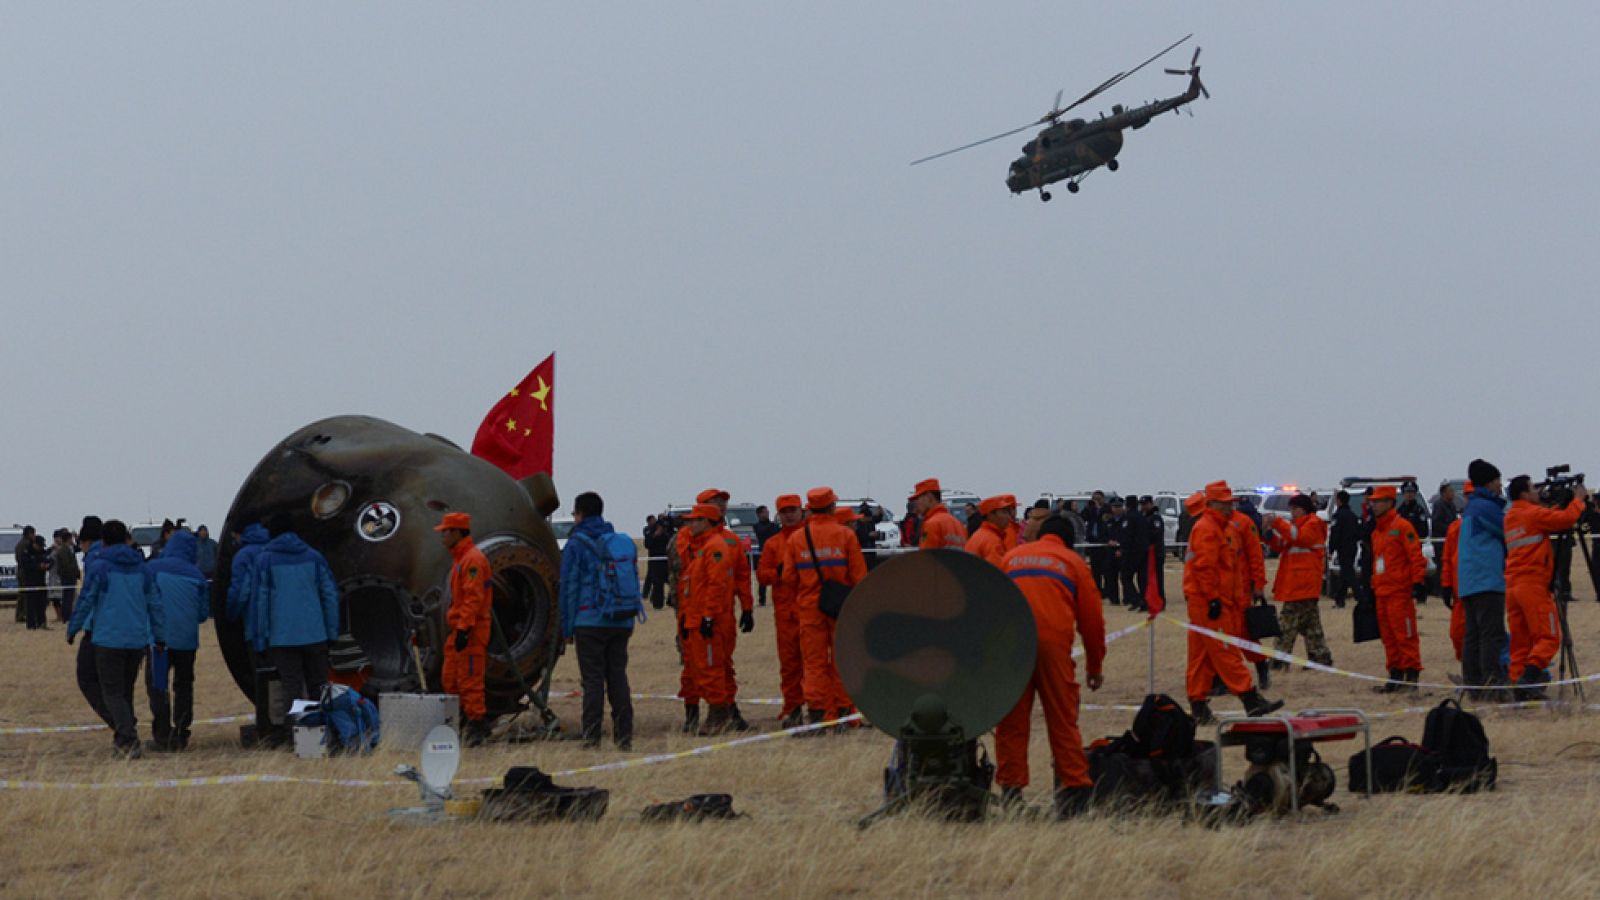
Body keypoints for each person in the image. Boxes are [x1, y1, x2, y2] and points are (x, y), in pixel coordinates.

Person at [994, 515, 1106, 817]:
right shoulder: (1073, 562)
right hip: (1052, 647)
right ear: (1069, 541)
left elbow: (993, 606)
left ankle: (1011, 793)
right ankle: (1075, 792)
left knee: (1011, 723)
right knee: (1062, 720)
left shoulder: (1011, 558)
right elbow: (1092, 623)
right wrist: (1094, 666)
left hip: (1012, 649)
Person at [1183, 483, 1282, 724]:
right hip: (1210, 601)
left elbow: (1241, 561)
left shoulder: (1222, 527)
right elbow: (1205, 568)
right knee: (1225, 651)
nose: (1230, 508)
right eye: (1225, 504)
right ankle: (1250, 699)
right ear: (1212, 504)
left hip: (1216, 600)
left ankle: (1198, 707)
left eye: (1230, 503)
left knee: (1202, 657)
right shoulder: (1208, 528)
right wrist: (1213, 599)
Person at [67, 519, 165, 758]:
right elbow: (155, 604)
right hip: (137, 640)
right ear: (126, 539)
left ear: (104, 541)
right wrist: (160, 635)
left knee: (112, 692)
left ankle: (128, 739)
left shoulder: (100, 567)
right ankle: (123, 739)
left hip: (108, 639)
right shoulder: (143, 568)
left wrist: (73, 628)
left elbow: (86, 600)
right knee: (125, 691)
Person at [781, 487, 867, 731]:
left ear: (809, 509)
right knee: (841, 660)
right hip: (841, 607)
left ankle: (818, 714)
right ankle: (843, 713)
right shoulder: (846, 535)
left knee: (814, 664)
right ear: (832, 507)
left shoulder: (797, 538)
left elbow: (788, 578)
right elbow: (859, 577)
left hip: (810, 608)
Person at [251, 514, 341, 746]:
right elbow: (330, 595)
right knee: (319, 686)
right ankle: (325, 736)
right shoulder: (314, 557)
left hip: (282, 638)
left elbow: (261, 603)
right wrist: (332, 632)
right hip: (316, 634)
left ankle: (297, 739)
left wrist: (261, 638)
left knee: (291, 687)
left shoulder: (265, 560)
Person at [559, 492, 635, 749]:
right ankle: (624, 738)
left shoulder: (576, 544)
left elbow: (569, 587)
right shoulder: (616, 540)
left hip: (589, 621)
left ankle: (591, 738)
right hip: (621, 620)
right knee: (618, 678)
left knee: (592, 682)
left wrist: (567, 627)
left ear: (580, 514)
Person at [1503, 475, 1590, 699]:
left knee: (1520, 641)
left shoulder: (1511, 516)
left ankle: (1518, 685)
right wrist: (1578, 501)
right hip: (1533, 585)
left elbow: (1546, 518)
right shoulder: (1532, 514)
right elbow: (1564, 520)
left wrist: (1556, 505)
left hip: (1513, 586)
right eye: (1533, 488)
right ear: (1524, 493)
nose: (1537, 492)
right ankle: (1528, 680)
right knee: (1548, 637)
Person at [431, 511, 495, 746]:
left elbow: (473, 598)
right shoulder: (461, 558)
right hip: (459, 629)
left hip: (471, 631)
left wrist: (465, 629)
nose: (442, 536)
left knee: (470, 680)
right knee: (450, 679)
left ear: (457, 532)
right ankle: (460, 724)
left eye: (446, 532)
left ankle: (477, 725)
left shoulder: (472, 560)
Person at [144, 528, 209, 751]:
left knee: (158, 686)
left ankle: (163, 734)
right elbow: (202, 614)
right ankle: (182, 731)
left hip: (160, 641)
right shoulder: (198, 576)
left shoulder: (152, 568)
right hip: (187, 642)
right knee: (184, 685)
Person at [679, 503, 738, 734]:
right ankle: (717, 715)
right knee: (701, 669)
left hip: (708, 621)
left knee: (711, 668)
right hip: (695, 619)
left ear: (706, 522)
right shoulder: (702, 547)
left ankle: (719, 716)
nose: (690, 525)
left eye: (695, 520)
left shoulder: (715, 547)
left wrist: (708, 617)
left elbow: (716, 586)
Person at [1368, 485, 1426, 693]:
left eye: (1377, 501)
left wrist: (1417, 582)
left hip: (1399, 592)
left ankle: (1411, 676)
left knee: (1405, 635)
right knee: (1388, 637)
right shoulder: (1377, 532)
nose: (1373, 505)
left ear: (1389, 503)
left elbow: (1415, 555)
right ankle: (1395, 675)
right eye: (1373, 502)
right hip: (1382, 592)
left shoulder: (1402, 527)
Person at [756, 494, 807, 727]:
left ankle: (821, 708)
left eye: (792, 510)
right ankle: (793, 709)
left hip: (811, 610)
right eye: (784, 511)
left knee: (816, 664)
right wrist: (778, 573)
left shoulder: (811, 538)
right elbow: (762, 575)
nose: (789, 515)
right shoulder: (773, 544)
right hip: (786, 614)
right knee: (789, 664)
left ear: (801, 511)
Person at [1458, 459, 1509, 691]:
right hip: (1487, 580)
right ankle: (1492, 681)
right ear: (1489, 483)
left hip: (1470, 582)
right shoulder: (1486, 508)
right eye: (1498, 481)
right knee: (1490, 634)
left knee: (1473, 635)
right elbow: (1509, 530)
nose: (1500, 485)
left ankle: (1473, 681)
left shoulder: (1473, 507)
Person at [1264, 495, 1332, 667]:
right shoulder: (1296, 527)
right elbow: (1282, 545)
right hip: (1299, 584)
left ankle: (1279, 660)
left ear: (1305, 509)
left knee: (1287, 624)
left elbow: (1300, 537)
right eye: (1291, 509)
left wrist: (1277, 522)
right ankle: (1320, 657)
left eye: (1295, 508)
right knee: (1310, 625)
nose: (1292, 512)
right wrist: (1269, 535)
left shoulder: (1313, 524)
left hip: (1302, 584)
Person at [73, 516, 114, 730]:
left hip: (99, 628)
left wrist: (74, 626)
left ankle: (118, 722)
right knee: (117, 683)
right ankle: (123, 722)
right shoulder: (121, 556)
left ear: (86, 541)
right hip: (130, 629)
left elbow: (88, 597)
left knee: (87, 677)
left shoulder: (93, 560)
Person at [1227, 498, 1271, 688]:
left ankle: (1261, 666)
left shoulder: (1244, 523)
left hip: (1242, 588)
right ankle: (1222, 678)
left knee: (1244, 632)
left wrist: (1258, 584)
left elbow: (1255, 555)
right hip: (1222, 590)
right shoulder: (1213, 524)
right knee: (1220, 636)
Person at [225, 522, 273, 650]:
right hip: (281, 626)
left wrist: (231, 614)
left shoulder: (243, 555)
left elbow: (241, 592)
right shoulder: (274, 551)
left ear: (240, 535)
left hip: (254, 623)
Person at [1440, 482, 1472, 667]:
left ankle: (1480, 672)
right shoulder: (1455, 528)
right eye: (1468, 495)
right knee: (1457, 634)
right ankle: (1468, 668)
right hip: (1460, 593)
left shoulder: (1489, 523)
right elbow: (1447, 559)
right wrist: (1446, 585)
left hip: (1479, 591)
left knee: (1482, 636)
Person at [1114, 496, 1150, 612]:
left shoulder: (1128, 518)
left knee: (1125, 576)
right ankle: (1145, 601)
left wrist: (1122, 548)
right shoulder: (1142, 517)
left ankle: (1136, 599)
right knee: (1142, 578)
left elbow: (1126, 536)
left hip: (1132, 552)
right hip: (1144, 551)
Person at [1397, 481, 1431, 604]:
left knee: (1417, 571)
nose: (1409, 495)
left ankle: (1420, 594)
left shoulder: (1419, 510)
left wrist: (1411, 537)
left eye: (1412, 492)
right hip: (1401, 548)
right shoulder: (1400, 511)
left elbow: (1423, 531)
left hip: (1414, 546)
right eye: (1407, 492)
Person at [909, 479, 967, 551]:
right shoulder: (959, 525)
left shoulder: (931, 524)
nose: (916, 504)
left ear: (929, 497)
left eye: (918, 499)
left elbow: (926, 555)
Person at [1083, 491, 1117, 605]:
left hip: (1104, 543)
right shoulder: (1090, 509)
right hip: (1093, 542)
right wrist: (1089, 507)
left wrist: (1099, 508)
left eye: (1098, 498)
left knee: (1106, 569)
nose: (1096, 500)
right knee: (1095, 570)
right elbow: (1083, 517)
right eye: (1094, 498)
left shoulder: (1107, 509)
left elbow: (1106, 520)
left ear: (1103, 498)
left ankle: (1107, 591)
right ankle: (1097, 591)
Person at [965, 494, 1017, 567]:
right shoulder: (992, 541)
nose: (1009, 517)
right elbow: (998, 571)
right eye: (1004, 512)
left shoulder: (978, 535)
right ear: (990, 515)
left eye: (1008, 513)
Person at [1328, 490, 1360, 609]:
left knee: (1349, 574)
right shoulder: (1353, 515)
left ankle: (1360, 596)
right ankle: (1340, 599)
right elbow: (1358, 531)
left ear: (1339, 501)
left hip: (1343, 548)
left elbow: (1335, 534)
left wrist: (1331, 549)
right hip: (1353, 547)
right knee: (1345, 574)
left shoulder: (1338, 516)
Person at [20, 529, 53, 629]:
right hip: (30, 582)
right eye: (39, 545)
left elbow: (51, 560)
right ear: (34, 544)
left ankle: (42, 623)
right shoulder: (26, 552)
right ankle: (31, 625)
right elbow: (26, 565)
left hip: (41, 581)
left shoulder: (42, 552)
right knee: (31, 605)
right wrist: (38, 566)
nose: (41, 548)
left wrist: (47, 565)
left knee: (42, 604)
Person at [642, 514, 672, 611]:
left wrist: (664, 530)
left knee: (671, 580)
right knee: (656, 582)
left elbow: (669, 539)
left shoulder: (666, 530)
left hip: (666, 559)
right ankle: (657, 603)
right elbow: (647, 544)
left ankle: (670, 600)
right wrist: (655, 534)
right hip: (655, 560)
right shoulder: (648, 530)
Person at [752, 505, 781, 606]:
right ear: (759, 514)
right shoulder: (757, 526)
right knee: (763, 578)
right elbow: (763, 531)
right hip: (764, 554)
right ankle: (762, 600)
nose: (767, 513)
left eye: (768, 511)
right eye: (765, 512)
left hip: (776, 553)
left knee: (778, 576)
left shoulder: (774, 526)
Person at [15, 525, 43, 625]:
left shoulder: (19, 544)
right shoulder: (26, 545)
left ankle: (20, 614)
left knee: (22, 595)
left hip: (21, 571)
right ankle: (25, 614)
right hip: (25, 572)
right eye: (33, 534)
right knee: (27, 595)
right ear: (29, 534)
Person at [52, 528, 81, 623]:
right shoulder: (63, 550)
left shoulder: (70, 548)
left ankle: (68, 615)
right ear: (68, 539)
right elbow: (66, 564)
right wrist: (73, 572)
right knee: (67, 598)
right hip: (67, 577)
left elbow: (79, 547)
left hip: (71, 576)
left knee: (70, 597)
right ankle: (66, 616)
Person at [1142, 496, 1167, 606]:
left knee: (1158, 578)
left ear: (1151, 504)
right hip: (1148, 552)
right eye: (1142, 504)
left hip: (1156, 552)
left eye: (1146, 504)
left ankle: (1160, 601)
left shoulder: (1156, 518)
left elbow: (1156, 535)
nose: (1144, 507)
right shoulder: (1145, 517)